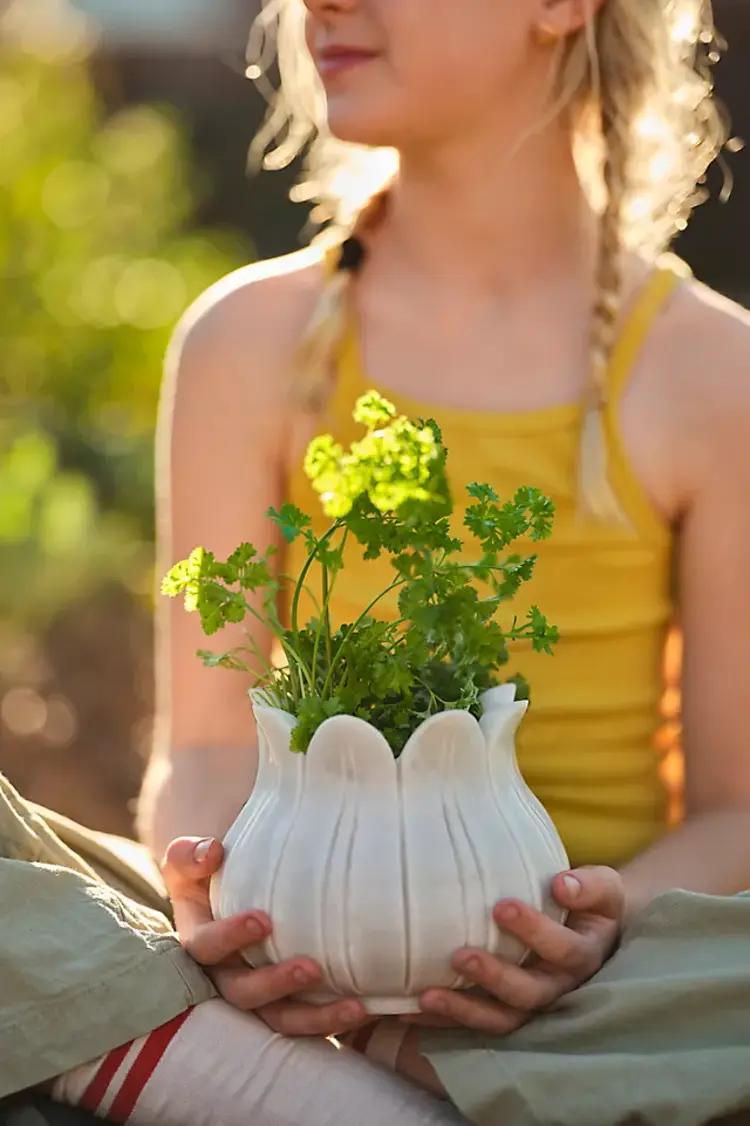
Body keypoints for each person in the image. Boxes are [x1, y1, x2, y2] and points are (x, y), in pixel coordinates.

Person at [10, 0, 750, 1122]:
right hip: (288, 957)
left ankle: (255, 1082)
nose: (321, 2)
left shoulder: (710, 373)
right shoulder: (247, 339)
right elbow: (208, 747)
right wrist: (216, 904)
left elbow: (735, 811)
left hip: (592, 993)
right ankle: (313, 1085)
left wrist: (606, 921)